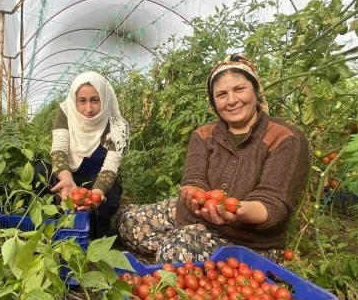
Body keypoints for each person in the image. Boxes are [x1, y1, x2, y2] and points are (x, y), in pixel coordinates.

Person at [118, 54, 311, 262]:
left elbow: (273, 206)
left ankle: (184, 245)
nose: (231, 101)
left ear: (256, 91)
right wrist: (195, 197)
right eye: (221, 94)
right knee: (128, 222)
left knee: (175, 253)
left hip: (248, 241)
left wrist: (236, 210)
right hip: (195, 217)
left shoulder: (285, 138)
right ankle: (185, 239)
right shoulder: (204, 134)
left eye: (239, 89)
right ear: (213, 101)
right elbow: (194, 180)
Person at [47, 71, 129, 238]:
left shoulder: (117, 127)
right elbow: (58, 149)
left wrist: (96, 194)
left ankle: (95, 232)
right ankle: (52, 221)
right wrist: (66, 178)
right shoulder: (66, 112)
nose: (89, 109)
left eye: (95, 100)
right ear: (74, 101)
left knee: (109, 198)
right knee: (40, 171)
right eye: (82, 101)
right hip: (69, 174)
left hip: (97, 177)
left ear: (104, 100)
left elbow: (110, 167)